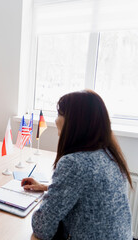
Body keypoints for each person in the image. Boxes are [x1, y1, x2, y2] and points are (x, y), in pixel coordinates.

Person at [22, 90, 132, 240]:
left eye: (59, 114)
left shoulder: (74, 163)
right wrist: (48, 188)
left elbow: (42, 227)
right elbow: (91, 193)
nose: (55, 120)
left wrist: (48, 201)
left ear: (74, 121)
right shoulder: (110, 154)